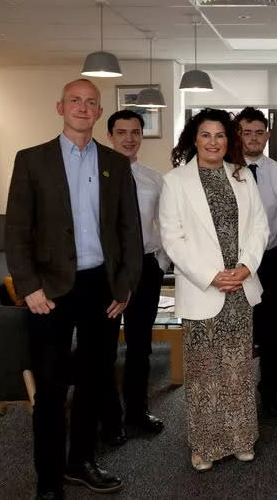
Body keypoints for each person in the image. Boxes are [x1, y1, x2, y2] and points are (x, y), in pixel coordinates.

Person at [5, 78, 142, 498]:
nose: (83, 108)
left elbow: (129, 231)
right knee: (50, 387)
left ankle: (80, 461)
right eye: (75, 101)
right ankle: (48, 482)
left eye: (91, 103)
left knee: (96, 378)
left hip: (101, 286)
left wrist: (125, 286)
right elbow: (16, 230)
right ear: (60, 106)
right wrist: (28, 286)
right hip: (48, 290)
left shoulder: (114, 164)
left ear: (100, 112)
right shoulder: (32, 160)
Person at [159, 108, 268, 471]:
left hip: (240, 288)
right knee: (205, 372)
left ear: (229, 141)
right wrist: (211, 274)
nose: (213, 142)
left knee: (237, 369)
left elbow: (259, 228)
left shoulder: (242, 176)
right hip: (203, 289)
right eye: (206, 135)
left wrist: (246, 267)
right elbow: (172, 239)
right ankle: (204, 445)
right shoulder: (175, 181)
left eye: (220, 136)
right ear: (194, 138)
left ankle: (240, 439)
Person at [101, 109, 170, 445]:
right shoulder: (96, 177)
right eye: (121, 132)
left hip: (145, 267)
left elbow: (165, 224)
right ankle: (110, 420)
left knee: (141, 346)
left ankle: (138, 413)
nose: (129, 138)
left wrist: (161, 260)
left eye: (135, 132)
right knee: (103, 349)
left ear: (142, 136)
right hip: (106, 272)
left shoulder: (154, 179)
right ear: (110, 135)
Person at [236, 107, 277, 417]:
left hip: (271, 261)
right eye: (247, 132)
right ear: (239, 135)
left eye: (260, 132)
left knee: (271, 331)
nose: (254, 138)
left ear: (267, 135)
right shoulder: (226, 169)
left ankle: (269, 392)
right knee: (239, 329)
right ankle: (237, 394)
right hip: (234, 262)